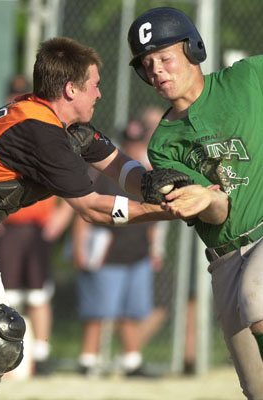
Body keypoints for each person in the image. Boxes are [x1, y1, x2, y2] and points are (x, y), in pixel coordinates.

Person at [0, 36, 227, 399]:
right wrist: (173, 209)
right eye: (94, 85)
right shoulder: (41, 133)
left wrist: (153, 185)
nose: (98, 94)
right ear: (70, 89)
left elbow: (113, 162)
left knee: (3, 340)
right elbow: (93, 208)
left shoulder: (53, 120)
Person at [128, 6, 263, 399]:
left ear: (193, 50)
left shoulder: (248, 78)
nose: (156, 70)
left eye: (165, 57)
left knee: (257, 295)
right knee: (255, 386)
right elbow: (220, 213)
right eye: (147, 64)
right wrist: (203, 197)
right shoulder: (163, 143)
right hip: (225, 259)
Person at [72, 120, 165, 377]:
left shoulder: (148, 176)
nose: (134, 147)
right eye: (131, 142)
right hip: (107, 256)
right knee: (98, 311)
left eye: (139, 142)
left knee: (132, 312)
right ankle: (88, 361)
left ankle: (131, 361)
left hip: (138, 254)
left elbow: (154, 219)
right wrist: (80, 248)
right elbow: (86, 212)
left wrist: (156, 250)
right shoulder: (106, 175)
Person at [0, 197, 73, 376]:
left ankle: (40, 356)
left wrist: (64, 214)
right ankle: (0, 354)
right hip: (6, 226)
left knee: (38, 295)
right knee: (4, 298)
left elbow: (71, 181)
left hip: (39, 227)